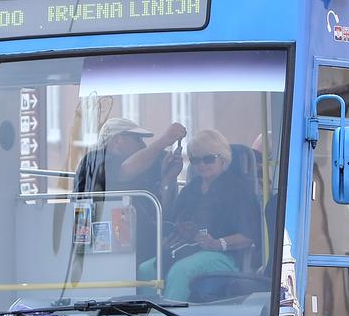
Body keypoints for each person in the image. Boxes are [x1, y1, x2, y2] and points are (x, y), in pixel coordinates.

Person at [143, 129, 261, 302]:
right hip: (188, 250)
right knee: (146, 269)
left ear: (223, 158)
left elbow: (249, 236)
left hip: (225, 256)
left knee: (181, 270)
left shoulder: (238, 190)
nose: (202, 165)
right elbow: (170, 217)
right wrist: (178, 231)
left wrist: (217, 243)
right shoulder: (191, 189)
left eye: (208, 159)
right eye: (196, 160)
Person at [73, 117, 187, 253]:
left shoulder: (141, 169)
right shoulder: (94, 160)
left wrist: (168, 179)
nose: (143, 145)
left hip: (140, 242)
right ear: (117, 140)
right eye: (137, 139)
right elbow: (123, 172)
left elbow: (161, 209)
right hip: (103, 245)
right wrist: (165, 140)